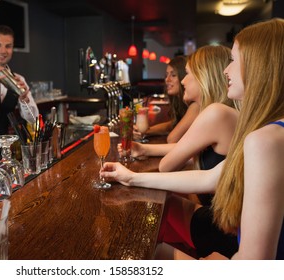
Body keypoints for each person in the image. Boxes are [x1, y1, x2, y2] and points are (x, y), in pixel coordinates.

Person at [101, 18, 284, 260]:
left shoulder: (264, 140)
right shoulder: (270, 130)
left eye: (234, 60)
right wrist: (131, 177)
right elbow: (210, 177)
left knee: (136, 255)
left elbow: (253, 265)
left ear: (259, 67)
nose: (226, 70)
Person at [134, 56, 200, 143]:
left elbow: (172, 139)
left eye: (173, 75)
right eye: (166, 75)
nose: (167, 79)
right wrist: (144, 131)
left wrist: (142, 148)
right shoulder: (181, 102)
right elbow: (172, 125)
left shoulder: (195, 106)